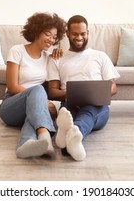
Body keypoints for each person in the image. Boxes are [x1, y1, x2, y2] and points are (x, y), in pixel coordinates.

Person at [47, 15, 120, 161]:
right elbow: (52, 91)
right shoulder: (57, 57)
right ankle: (73, 140)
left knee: (89, 111)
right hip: (69, 103)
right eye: (75, 34)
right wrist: (73, 93)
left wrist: (97, 93)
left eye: (83, 33)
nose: (79, 37)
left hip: (97, 106)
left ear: (88, 33)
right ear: (67, 34)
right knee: (68, 113)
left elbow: (113, 87)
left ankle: (70, 132)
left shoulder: (100, 56)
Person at [0, 12, 66, 159]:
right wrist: (43, 100)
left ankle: (26, 144)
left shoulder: (48, 57)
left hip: (33, 107)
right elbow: (12, 86)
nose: (51, 40)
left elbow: (64, 67)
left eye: (54, 37)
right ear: (36, 31)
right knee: (38, 89)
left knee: (34, 112)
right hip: (11, 105)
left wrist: (60, 56)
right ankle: (45, 137)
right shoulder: (17, 51)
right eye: (48, 34)